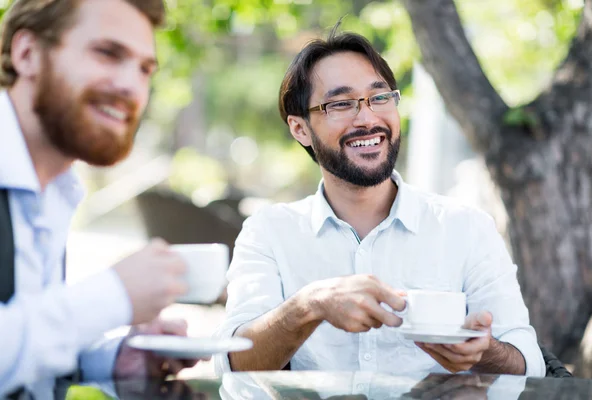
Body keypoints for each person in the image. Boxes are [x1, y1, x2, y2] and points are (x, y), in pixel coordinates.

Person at [214, 27, 545, 377]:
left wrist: (483, 352)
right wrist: (310, 306)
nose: (368, 118)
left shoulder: (466, 227)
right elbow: (232, 367)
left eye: (380, 97)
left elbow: (530, 364)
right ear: (300, 129)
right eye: (341, 104)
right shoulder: (268, 233)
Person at [0, 0, 197, 394]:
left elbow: (24, 331)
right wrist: (113, 297)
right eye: (107, 53)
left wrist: (115, 357)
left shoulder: (58, 191)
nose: (131, 86)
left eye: (145, 69)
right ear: (27, 54)